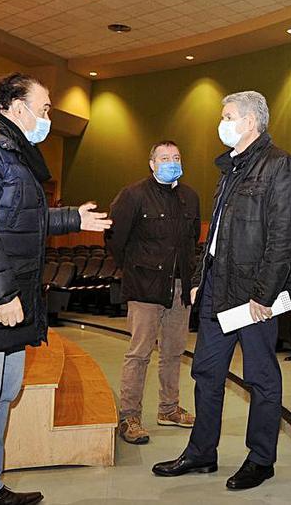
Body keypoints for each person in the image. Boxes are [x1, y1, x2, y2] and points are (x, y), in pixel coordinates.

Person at [0, 74, 111, 505]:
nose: (47, 117)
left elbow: (17, 215)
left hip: (5, 302)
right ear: (14, 106)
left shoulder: (7, 149)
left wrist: (70, 219)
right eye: (44, 107)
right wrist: (1, 294)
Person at [152, 91, 291, 491]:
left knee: (260, 377)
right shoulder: (230, 169)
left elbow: (284, 239)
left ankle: (261, 459)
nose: (223, 122)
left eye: (228, 116)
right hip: (218, 286)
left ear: (251, 122)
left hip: (253, 291)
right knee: (206, 371)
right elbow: (216, 232)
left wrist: (264, 295)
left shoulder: (279, 165)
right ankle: (202, 452)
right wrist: (202, 277)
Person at [107, 141, 200, 445]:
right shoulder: (133, 195)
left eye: (176, 157)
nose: (171, 161)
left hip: (179, 288)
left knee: (173, 352)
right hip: (144, 287)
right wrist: (134, 269)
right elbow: (115, 239)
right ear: (152, 163)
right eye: (164, 157)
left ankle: (169, 408)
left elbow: (192, 243)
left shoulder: (189, 197)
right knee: (139, 353)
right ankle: (130, 416)